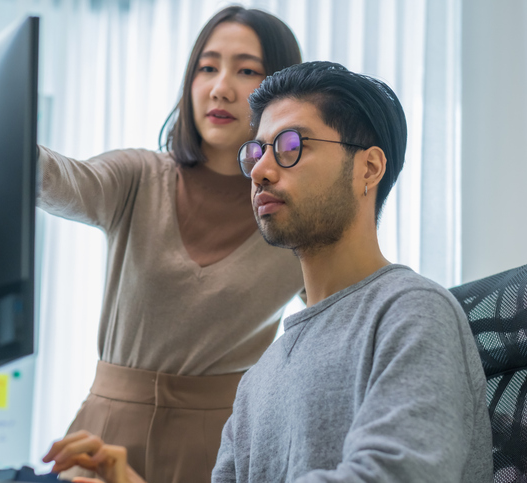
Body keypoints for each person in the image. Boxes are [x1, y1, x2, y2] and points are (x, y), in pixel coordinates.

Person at [43, 61, 493, 482]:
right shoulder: (258, 380)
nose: (259, 170)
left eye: (291, 147)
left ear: (368, 168)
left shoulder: (411, 312)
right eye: (257, 151)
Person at [37, 6, 303, 483]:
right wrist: (8, 144)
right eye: (207, 67)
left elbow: (345, 311)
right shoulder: (139, 177)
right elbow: (63, 180)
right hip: (101, 438)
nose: (220, 87)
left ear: (280, 90)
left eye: (247, 70)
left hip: (218, 451)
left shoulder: (292, 214)